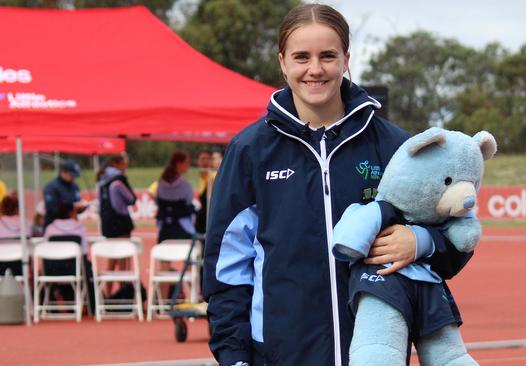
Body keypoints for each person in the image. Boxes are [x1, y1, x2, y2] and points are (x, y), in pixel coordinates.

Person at [202, 4, 473, 366]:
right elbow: (226, 270)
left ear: (346, 59)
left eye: (327, 56)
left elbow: (457, 236)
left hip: (376, 355)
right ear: (282, 62)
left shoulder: (394, 146)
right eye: (301, 57)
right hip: (280, 356)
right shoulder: (251, 151)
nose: (315, 69)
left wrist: (421, 242)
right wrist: (234, 357)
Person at [97, 154, 137, 293]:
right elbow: (131, 198)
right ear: (116, 163)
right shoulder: (118, 180)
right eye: (124, 164)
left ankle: (105, 293)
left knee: (111, 258)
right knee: (123, 261)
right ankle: (123, 292)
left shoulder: (102, 180)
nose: (125, 168)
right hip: (121, 223)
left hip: (107, 223)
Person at [155, 151, 195, 243]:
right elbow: (189, 201)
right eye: (187, 162)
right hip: (183, 229)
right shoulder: (185, 184)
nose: (188, 165)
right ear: (179, 164)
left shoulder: (161, 183)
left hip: (165, 229)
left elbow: (158, 201)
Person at [43, 159, 86, 229]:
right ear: (63, 172)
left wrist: (81, 208)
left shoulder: (75, 187)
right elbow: (51, 209)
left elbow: (77, 204)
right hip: (54, 228)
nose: (73, 178)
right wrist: (71, 207)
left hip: (72, 226)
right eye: (71, 175)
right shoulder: (51, 187)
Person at [195, 150, 213, 235]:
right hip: (202, 220)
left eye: (208, 159)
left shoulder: (213, 176)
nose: (205, 162)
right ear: (197, 161)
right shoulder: (202, 177)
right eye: (202, 159)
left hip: (210, 219)